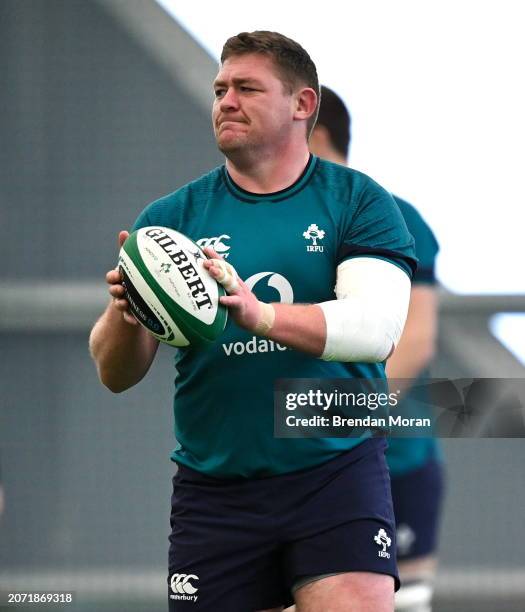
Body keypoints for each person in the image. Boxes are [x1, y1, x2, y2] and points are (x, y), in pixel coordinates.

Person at [89, 32, 417, 612]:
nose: (226, 102)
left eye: (246, 88)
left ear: (303, 104)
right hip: (215, 487)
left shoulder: (357, 201)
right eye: (220, 90)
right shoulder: (169, 221)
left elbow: (375, 327)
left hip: (333, 470)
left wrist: (258, 313)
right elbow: (115, 373)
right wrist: (127, 308)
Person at [309, 85, 444, 612]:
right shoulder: (269, 224)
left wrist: (341, 423)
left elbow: (415, 339)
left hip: (394, 459)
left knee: (404, 603)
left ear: (315, 135)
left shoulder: (395, 216)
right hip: (294, 469)